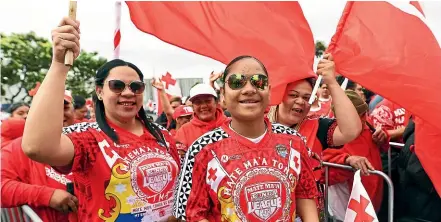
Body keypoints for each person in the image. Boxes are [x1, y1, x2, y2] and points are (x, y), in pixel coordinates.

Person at [21, 17, 180, 221]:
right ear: (99, 92)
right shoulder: (89, 139)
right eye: (117, 86)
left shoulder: (164, 136)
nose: (128, 93)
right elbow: (37, 147)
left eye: (136, 87)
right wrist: (59, 65)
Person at [173, 55, 319, 221]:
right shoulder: (202, 149)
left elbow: (305, 195)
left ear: (269, 93)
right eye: (237, 82)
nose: (249, 89)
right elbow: (193, 214)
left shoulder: (293, 140)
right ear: (223, 96)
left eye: (259, 81)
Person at [267, 54, 362, 180]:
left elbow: (351, 130)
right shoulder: (257, 123)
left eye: (307, 98)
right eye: (293, 95)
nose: (301, 101)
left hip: (307, 198)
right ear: (279, 96)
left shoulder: (316, 127)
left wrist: (332, 83)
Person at [1, 91, 77, 222]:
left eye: (64, 107)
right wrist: (47, 195)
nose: (58, 113)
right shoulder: (18, 148)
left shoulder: (94, 141)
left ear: (73, 111)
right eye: (50, 107)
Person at [321, 91, 384, 220]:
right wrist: (347, 160)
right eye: (356, 116)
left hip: (371, 201)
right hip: (346, 205)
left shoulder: (368, 128)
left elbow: (381, 147)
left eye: (364, 115)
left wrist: (383, 137)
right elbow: (322, 168)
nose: (362, 120)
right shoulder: (330, 134)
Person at [174, 83, 228, 153]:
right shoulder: (184, 131)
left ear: (216, 102)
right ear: (192, 106)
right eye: (198, 103)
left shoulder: (231, 125)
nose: (203, 106)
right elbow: (180, 160)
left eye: (207, 101)